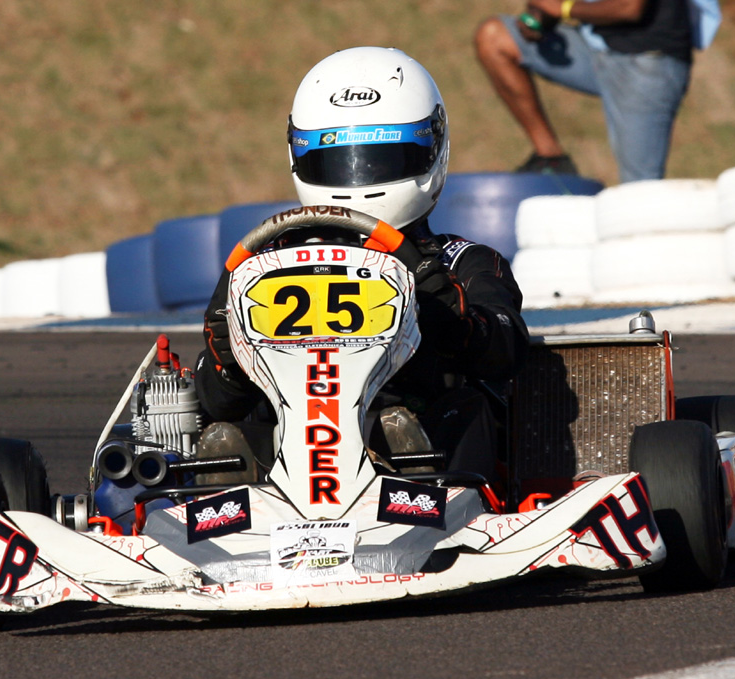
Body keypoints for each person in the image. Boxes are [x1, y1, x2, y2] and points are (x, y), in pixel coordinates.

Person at [194, 46, 530, 486]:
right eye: (336, 162)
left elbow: (505, 350)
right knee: (235, 428)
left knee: (465, 408)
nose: (360, 180)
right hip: (287, 465)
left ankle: (413, 470)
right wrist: (227, 359)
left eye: (384, 161)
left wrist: (441, 309)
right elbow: (218, 403)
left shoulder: (460, 263)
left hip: (428, 454)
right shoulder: (260, 264)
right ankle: (235, 490)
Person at [475, 0, 720, 183]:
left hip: (648, 64)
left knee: (640, 190)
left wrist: (563, 9)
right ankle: (551, 158)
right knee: (495, 37)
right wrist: (540, 17)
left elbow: (629, 8)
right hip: (597, 48)